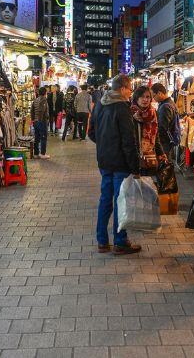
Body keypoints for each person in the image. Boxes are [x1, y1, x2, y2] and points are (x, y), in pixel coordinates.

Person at [88, 74, 141, 255]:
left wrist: (104, 145)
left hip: (104, 161)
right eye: (129, 89)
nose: (130, 93)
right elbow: (129, 140)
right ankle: (120, 241)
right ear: (123, 89)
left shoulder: (100, 104)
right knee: (120, 201)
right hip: (120, 163)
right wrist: (135, 167)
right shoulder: (122, 107)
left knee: (105, 200)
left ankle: (102, 241)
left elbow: (91, 133)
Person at [130, 86, 167, 174]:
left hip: (150, 157)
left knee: (150, 185)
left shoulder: (153, 113)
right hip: (133, 156)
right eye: (142, 97)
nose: (145, 100)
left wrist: (162, 154)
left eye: (148, 97)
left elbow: (156, 137)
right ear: (136, 98)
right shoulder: (130, 113)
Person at [152, 83, 180, 160]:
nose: (153, 99)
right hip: (169, 141)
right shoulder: (170, 102)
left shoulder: (165, 106)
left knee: (165, 164)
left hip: (164, 142)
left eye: (154, 95)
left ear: (160, 93)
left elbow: (162, 127)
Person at [31, 87, 50, 159]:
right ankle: (42, 153)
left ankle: (36, 153)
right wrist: (41, 120)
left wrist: (33, 119)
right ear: (45, 93)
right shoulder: (44, 99)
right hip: (41, 121)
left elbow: (32, 110)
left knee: (37, 137)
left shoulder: (35, 99)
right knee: (43, 137)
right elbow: (42, 110)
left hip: (36, 121)